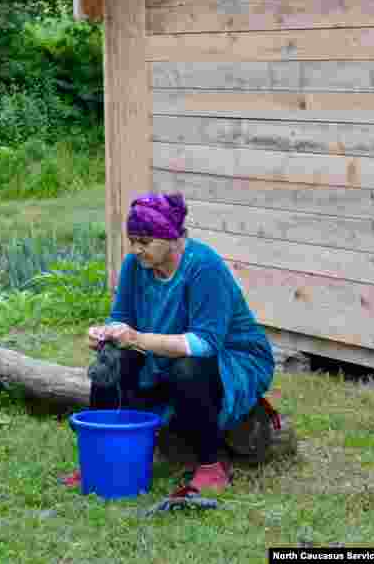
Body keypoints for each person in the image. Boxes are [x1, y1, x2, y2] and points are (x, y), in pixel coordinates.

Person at [76, 192, 277, 495]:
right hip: (163, 348)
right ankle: (97, 457)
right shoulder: (135, 265)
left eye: (145, 241)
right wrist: (105, 334)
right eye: (133, 241)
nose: (136, 249)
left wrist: (138, 338)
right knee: (111, 360)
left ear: (171, 237)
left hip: (231, 356)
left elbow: (206, 343)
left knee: (188, 369)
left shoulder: (203, 266)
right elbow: (121, 318)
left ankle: (211, 465)